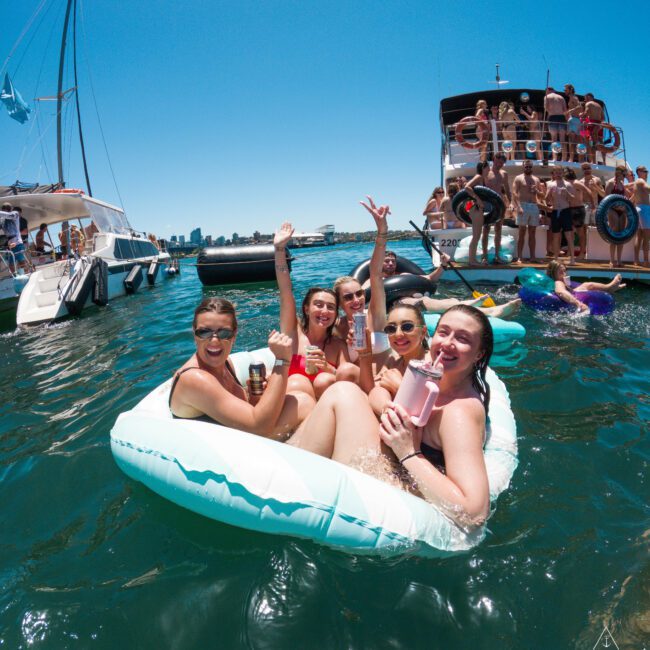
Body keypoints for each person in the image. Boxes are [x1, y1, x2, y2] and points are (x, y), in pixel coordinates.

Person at [289, 304, 494, 527]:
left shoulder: (459, 412)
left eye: (462, 338)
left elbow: (474, 514)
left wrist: (408, 452)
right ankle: (293, 466)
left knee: (343, 393)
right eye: (443, 332)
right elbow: (377, 391)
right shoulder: (430, 374)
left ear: (479, 354)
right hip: (397, 469)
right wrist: (388, 408)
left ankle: (290, 481)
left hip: (404, 496)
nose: (447, 343)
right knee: (345, 392)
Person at [169, 298, 314, 439]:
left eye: (224, 333)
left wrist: (255, 396)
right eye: (204, 332)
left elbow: (245, 414)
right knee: (304, 403)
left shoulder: (225, 364)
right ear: (194, 334)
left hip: (241, 437)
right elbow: (259, 427)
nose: (214, 340)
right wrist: (282, 361)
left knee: (299, 382)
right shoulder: (194, 379)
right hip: (229, 449)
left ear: (234, 334)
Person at [274, 222, 356, 399]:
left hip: (324, 406)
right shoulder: (293, 333)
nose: (325, 311)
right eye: (318, 305)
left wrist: (326, 367)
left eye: (331, 307)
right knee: (297, 382)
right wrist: (279, 250)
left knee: (325, 379)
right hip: (295, 402)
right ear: (306, 309)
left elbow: (348, 378)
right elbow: (285, 291)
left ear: (336, 314)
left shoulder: (338, 346)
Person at [465, 153, 511, 265]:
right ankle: (484, 257)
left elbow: (507, 189)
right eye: (499, 162)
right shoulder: (486, 173)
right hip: (488, 204)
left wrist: (510, 202)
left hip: (500, 204)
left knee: (498, 230)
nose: (500, 164)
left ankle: (497, 256)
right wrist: (476, 200)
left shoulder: (504, 174)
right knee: (486, 230)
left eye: (502, 163)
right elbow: (474, 187)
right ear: (494, 159)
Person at [546, 260, 625, 313]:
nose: (564, 274)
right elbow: (561, 292)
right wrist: (578, 304)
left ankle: (609, 288)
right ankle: (609, 287)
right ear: (553, 274)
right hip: (574, 299)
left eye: (565, 271)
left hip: (573, 292)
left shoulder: (562, 281)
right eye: (561, 272)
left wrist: (568, 286)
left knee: (587, 285)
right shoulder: (558, 282)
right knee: (588, 285)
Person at [512, 161, 543, 263]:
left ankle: (532, 257)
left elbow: (542, 196)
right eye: (526, 167)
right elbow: (514, 193)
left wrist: (536, 191)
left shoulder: (536, 179)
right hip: (523, 205)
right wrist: (519, 207)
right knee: (522, 232)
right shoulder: (518, 178)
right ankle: (520, 257)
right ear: (523, 167)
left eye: (530, 166)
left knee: (532, 233)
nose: (528, 168)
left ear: (532, 167)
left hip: (534, 206)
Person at [545, 167, 576, 263]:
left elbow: (573, 199)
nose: (558, 174)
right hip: (555, 211)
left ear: (563, 173)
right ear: (554, 173)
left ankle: (572, 258)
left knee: (568, 235)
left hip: (565, 211)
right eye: (556, 173)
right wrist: (549, 194)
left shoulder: (568, 184)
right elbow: (546, 199)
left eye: (560, 173)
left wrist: (567, 193)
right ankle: (556, 258)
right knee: (555, 236)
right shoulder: (551, 185)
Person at [563, 168, 591, 261]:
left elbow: (588, 191)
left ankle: (582, 253)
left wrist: (593, 204)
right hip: (568, 209)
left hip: (578, 209)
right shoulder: (565, 183)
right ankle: (570, 252)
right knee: (569, 232)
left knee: (580, 232)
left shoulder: (577, 183)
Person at [604, 166, 628, 267]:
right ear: (619, 173)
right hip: (612, 209)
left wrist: (623, 208)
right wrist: (616, 207)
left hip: (621, 211)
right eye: (624, 174)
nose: (625, 176)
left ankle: (619, 260)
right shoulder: (610, 183)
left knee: (621, 235)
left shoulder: (622, 184)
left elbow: (625, 198)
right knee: (613, 234)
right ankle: (612, 260)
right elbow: (606, 198)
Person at [0, 202, 32, 273]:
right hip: (10, 244)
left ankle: (28, 274)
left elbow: (8, 215)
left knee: (22, 262)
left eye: (6, 209)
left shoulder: (15, 214)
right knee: (11, 265)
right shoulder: (2, 220)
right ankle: (15, 277)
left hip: (17, 242)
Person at [629, 165, 650, 267]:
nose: (647, 173)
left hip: (638, 209)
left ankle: (636, 260)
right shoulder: (641, 181)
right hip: (644, 210)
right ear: (639, 172)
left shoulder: (636, 184)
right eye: (645, 171)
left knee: (639, 236)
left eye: (647, 171)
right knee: (646, 237)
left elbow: (632, 199)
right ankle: (646, 261)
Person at [544, 87, 568, 161]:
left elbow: (546, 108)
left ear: (548, 91)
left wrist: (551, 111)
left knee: (554, 139)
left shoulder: (547, 97)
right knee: (562, 140)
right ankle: (564, 158)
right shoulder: (561, 97)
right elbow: (565, 110)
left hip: (552, 117)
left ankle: (555, 158)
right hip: (562, 118)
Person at [580, 93, 605, 165]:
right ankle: (604, 161)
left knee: (589, 142)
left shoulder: (588, 104)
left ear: (589, 97)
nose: (585, 100)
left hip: (591, 123)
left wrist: (581, 115)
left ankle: (592, 161)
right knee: (601, 142)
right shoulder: (599, 105)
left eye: (585, 98)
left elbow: (586, 113)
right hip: (599, 124)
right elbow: (603, 118)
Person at [580, 163, 605, 228]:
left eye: (588, 168)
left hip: (595, 205)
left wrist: (595, 186)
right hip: (585, 206)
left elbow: (603, 194)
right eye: (584, 169)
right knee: (585, 227)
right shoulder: (580, 182)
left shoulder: (597, 179)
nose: (587, 170)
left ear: (591, 169)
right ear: (582, 170)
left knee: (595, 227)